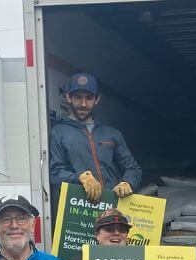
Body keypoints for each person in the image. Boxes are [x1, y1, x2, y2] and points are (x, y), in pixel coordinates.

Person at [49, 72, 141, 207]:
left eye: (89, 98)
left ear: (97, 99)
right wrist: (81, 177)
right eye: (78, 97)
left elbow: (133, 168)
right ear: (68, 97)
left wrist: (128, 182)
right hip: (78, 208)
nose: (83, 104)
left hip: (110, 206)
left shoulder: (112, 134)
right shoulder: (58, 132)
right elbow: (55, 173)